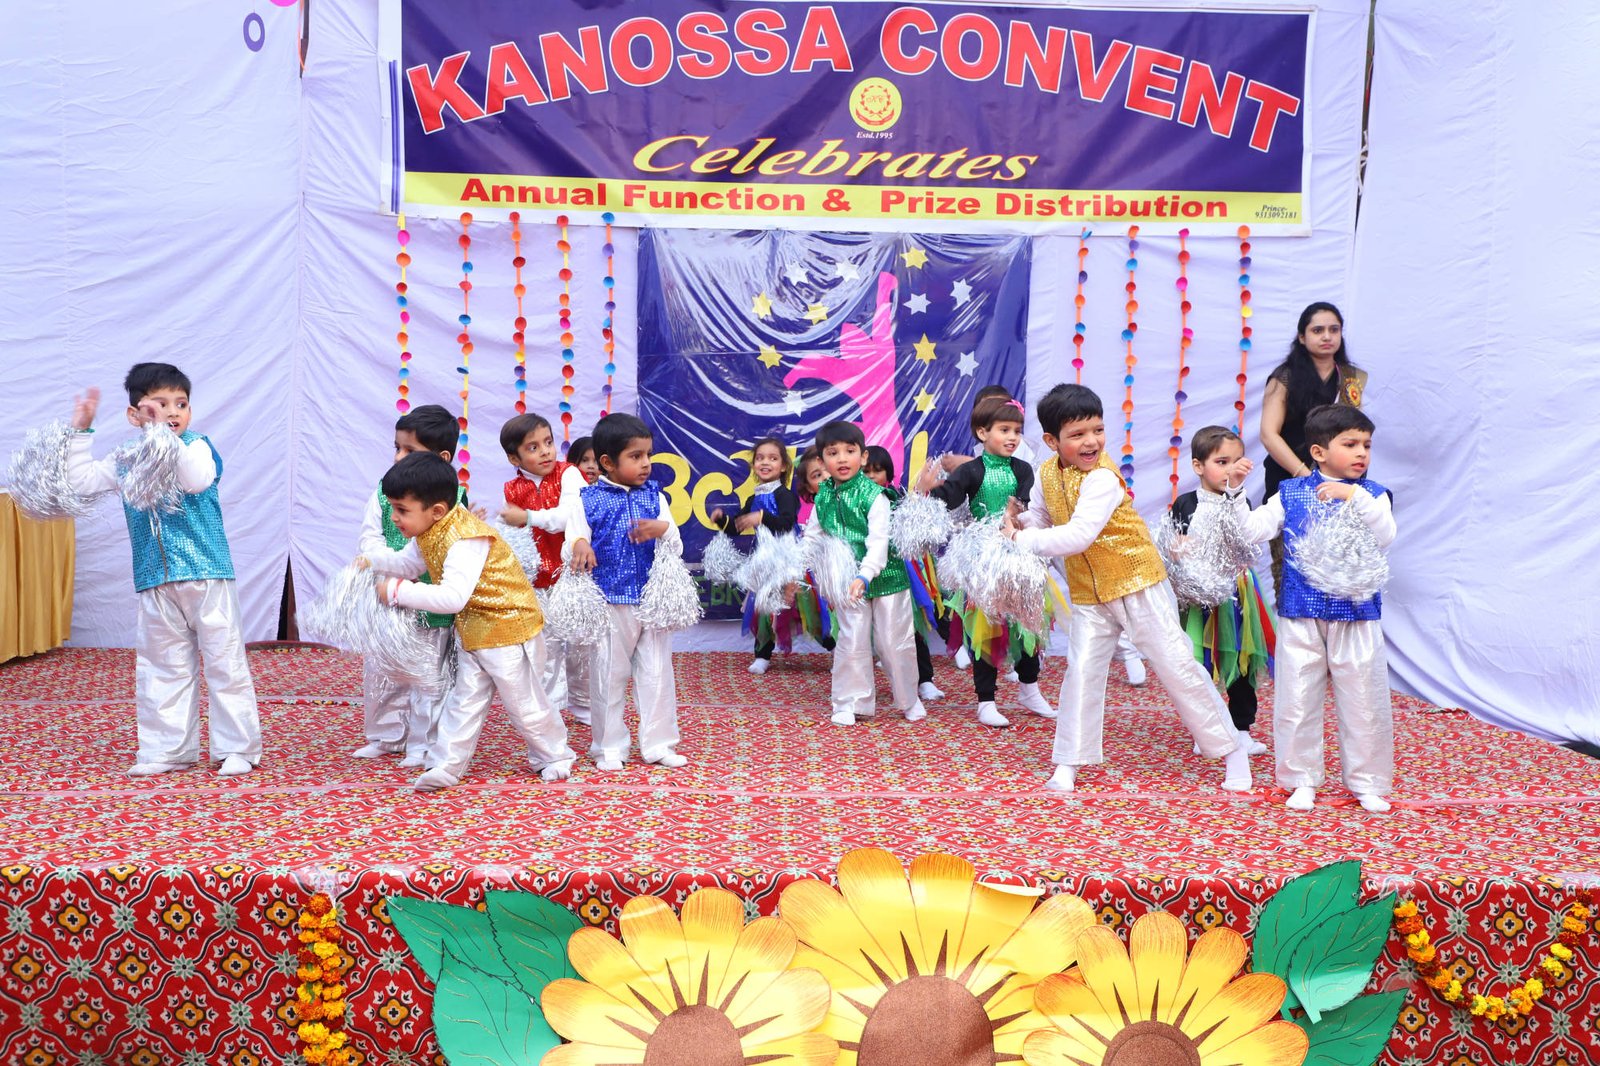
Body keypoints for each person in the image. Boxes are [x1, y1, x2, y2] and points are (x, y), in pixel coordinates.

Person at [1004, 384, 1249, 794]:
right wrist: (1019, 521)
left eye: (1097, 430)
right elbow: (1044, 518)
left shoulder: (1102, 478)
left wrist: (1019, 539)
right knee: (1081, 673)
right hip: (1089, 592)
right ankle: (1068, 762)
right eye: (1077, 434)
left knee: (1178, 667)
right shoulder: (1046, 473)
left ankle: (1233, 751)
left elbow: (1078, 535)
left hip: (1138, 583)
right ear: (1051, 441)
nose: (1091, 441)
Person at [63, 365, 262, 777]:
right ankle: (167, 749)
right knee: (162, 666)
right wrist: (80, 433)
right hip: (155, 578)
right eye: (160, 404)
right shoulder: (127, 458)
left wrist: (161, 436)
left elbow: (194, 480)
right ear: (133, 415)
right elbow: (81, 482)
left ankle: (237, 747)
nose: (173, 412)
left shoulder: (196, 446)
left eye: (181, 404)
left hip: (207, 573)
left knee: (224, 662)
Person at [362, 452, 575, 791]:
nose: (394, 517)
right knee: (463, 702)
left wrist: (398, 591)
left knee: (524, 702)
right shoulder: (431, 530)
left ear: (436, 510)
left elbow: (452, 598)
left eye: (401, 510)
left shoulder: (465, 538)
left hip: (508, 631)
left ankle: (555, 756)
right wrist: (372, 561)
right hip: (475, 630)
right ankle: (447, 765)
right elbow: (408, 564)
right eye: (392, 508)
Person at [1226, 405, 1395, 813]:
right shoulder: (1291, 492)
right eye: (1350, 444)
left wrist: (1354, 496)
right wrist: (1234, 493)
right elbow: (1252, 530)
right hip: (1301, 612)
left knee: (1364, 700)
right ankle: (1300, 779)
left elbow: (1386, 536)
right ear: (1318, 452)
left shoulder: (1373, 494)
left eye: (1367, 445)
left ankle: (1368, 782)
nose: (1361, 453)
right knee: (1297, 698)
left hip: (1356, 613)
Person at [915, 397, 1055, 726]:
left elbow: (1027, 502)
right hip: (985, 561)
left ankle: (1029, 688)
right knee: (987, 628)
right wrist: (927, 491)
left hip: (1019, 556)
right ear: (982, 433)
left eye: (1017, 431)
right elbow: (947, 499)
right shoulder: (971, 471)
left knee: (1028, 625)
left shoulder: (1023, 469)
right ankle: (986, 700)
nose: (1012, 437)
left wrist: (1016, 512)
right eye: (1004, 430)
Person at [565, 413, 687, 769]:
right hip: (609, 601)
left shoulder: (655, 497)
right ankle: (608, 748)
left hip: (651, 601)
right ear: (607, 462)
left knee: (657, 674)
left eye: (648, 454)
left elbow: (676, 546)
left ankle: (659, 744)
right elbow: (573, 540)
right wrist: (579, 545)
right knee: (608, 675)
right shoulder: (587, 500)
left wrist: (663, 529)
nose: (646, 463)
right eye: (636, 456)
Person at [353, 405, 463, 764]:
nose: (399, 457)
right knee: (384, 672)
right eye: (397, 447)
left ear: (442, 458)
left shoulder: (453, 500)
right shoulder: (384, 491)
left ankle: (422, 744)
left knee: (427, 675)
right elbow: (370, 538)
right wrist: (387, 565)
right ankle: (386, 736)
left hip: (431, 604)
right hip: (389, 598)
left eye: (410, 450)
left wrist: (414, 575)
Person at [804, 421, 927, 727]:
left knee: (892, 642)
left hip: (886, 579)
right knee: (851, 641)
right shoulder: (823, 497)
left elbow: (879, 542)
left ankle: (909, 699)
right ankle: (849, 702)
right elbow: (812, 538)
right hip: (848, 581)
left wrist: (865, 575)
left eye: (850, 451)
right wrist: (798, 569)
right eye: (833, 453)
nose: (842, 459)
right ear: (821, 461)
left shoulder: (874, 495)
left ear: (863, 456)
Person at [1168, 427, 1274, 759]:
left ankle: (1241, 728)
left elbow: (1246, 541)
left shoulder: (1240, 501)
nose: (1230, 469)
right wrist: (1176, 548)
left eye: (1236, 461)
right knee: (1198, 665)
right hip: (1198, 599)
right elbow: (1172, 544)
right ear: (1198, 466)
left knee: (1240, 663)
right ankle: (1207, 730)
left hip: (1236, 596)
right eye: (1221, 462)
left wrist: (1235, 496)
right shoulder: (1185, 503)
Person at [1259, 302, 1368, 596]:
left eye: (1334, 329)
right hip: (1290, 478)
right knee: (1291, 568)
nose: (1327, 336)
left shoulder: (1349, 378)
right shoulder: (1285, 377)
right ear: (1302, 337)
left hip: (1338, 483)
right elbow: (1268, 434)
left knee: (1335, 569)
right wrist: (1306, 476)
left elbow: (1352, 434)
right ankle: (1290, 624)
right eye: (1317, 330)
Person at [500, 412, 591, 724]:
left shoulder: (569, 474)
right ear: (514, 458)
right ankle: (552, 710)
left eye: (548, 442)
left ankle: (585, 705)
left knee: (581, 643)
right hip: (537, 584)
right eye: (533, 447)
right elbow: (515, 537)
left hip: (574, 575)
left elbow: (569, 517)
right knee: (545, 649)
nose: (546, 452)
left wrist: (527, 517)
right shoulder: (512, 489)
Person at [711, 437, 800, 676]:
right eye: (760, 458)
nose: (765, 462)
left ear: (783, 466)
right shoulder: (753, 499)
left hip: (789, 563)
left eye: (772, 458)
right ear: (753, 465)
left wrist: (761, 517)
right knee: (761, 609)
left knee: (806, 610)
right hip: (764, 565)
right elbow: (736, 527)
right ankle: (762, 655)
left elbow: (786, 524)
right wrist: (721, 520)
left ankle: (834, 648)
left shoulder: (785, 495)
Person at [864, 446, 945, 704]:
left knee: (911, 628)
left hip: (899, 573)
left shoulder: (895, 498)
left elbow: (912, 524)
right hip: (865, 575)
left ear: (888, 473)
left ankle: (925, 681)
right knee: (865, 633)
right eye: (866, 472)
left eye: (877, 471)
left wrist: (920, 493)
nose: (871, 476)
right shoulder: (852, 499)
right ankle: (859, 690)